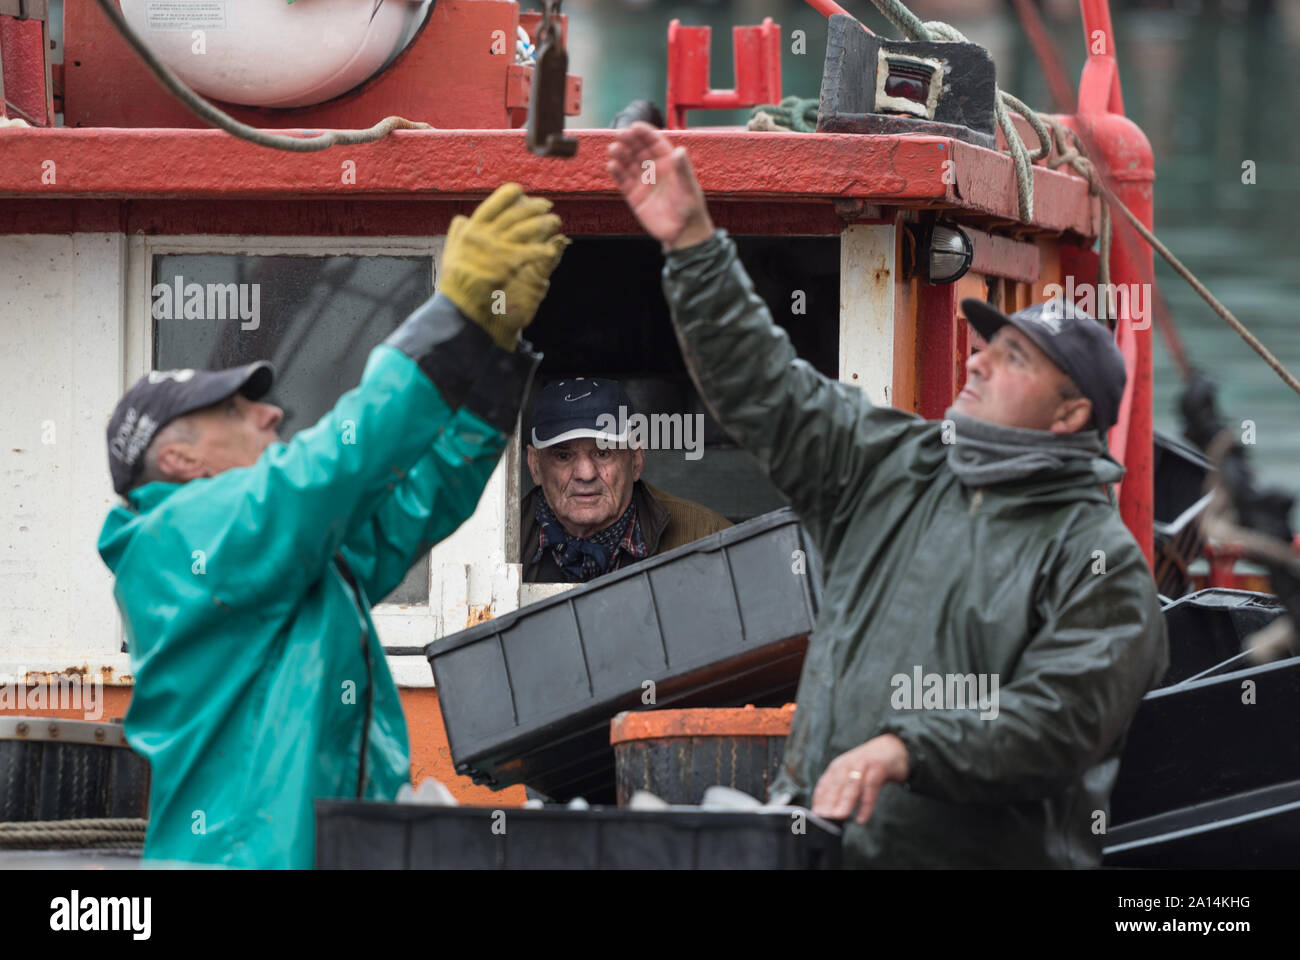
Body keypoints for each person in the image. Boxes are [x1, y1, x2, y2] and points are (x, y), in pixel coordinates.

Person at [606, 121, 1168, 867]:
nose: (978, 361)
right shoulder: (895, 464)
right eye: (985, 344)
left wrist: (905, 748)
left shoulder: (1100, 564)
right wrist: (693, 247)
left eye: (1013, 360)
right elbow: (768, 389)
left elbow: (1054, 726)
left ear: (1070, 416)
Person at [97, 184, 567, 868]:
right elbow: (340, 462)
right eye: (235, 411)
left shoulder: (277, 555)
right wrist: (453, 315)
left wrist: (494, 351)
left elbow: (421, 502)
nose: (272, 415)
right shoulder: (175, 540)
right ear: (177, 460)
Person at [521, 376, 731, 582]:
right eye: (563, 456)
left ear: (636, 460)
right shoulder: (495, 543)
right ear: (535, 465)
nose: (586, 474)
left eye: (603, 453)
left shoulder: (708, 539)